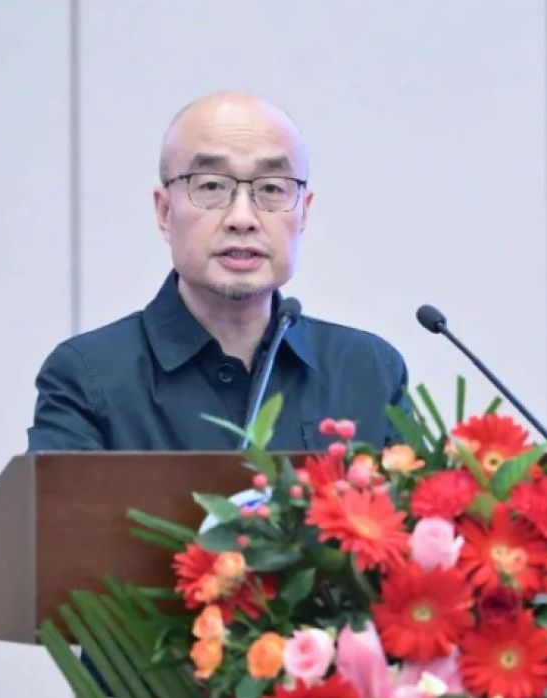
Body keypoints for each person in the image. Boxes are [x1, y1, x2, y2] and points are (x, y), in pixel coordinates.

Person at [26, 90, 410, 454]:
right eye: (211, 185)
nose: (242, 218)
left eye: (271, 188)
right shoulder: (88, 377)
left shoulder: (369, 371)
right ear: (165, 212)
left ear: (303, 212)